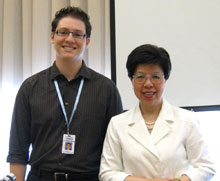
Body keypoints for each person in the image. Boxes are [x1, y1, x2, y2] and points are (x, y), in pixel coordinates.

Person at [7, 6, 123, 181]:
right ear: (52, 37)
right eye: (63, 32)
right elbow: (18, 150)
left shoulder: (106, 89)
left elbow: (117, 149)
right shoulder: (30, 88)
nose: (70, 39)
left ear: (87, 41)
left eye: (77, 34)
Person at [99, 44, 215, 181]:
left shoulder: (187, 119)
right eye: (140, 77)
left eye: (156, 77)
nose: (148, 84)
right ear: (132, 80)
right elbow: (107, 173)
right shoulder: (117, 123)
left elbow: (206, 167)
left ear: (165, 78)